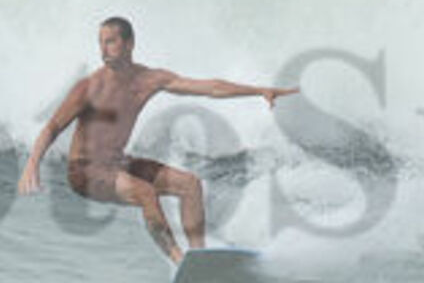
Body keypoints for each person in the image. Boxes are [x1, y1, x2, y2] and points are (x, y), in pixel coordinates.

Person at [17, 16, 297, 264]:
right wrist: (32, 163)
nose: (103, 49)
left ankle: (198, 260)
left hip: (117, 163)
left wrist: (258, 90)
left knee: (190, 185)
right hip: (84, 171)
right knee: (145, 192)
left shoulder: (149, 79)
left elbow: (209, 88)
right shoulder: (90, 87)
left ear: (129, 44)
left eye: (110, 42)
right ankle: (178, 260)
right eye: (100, 42)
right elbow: (52, 127)